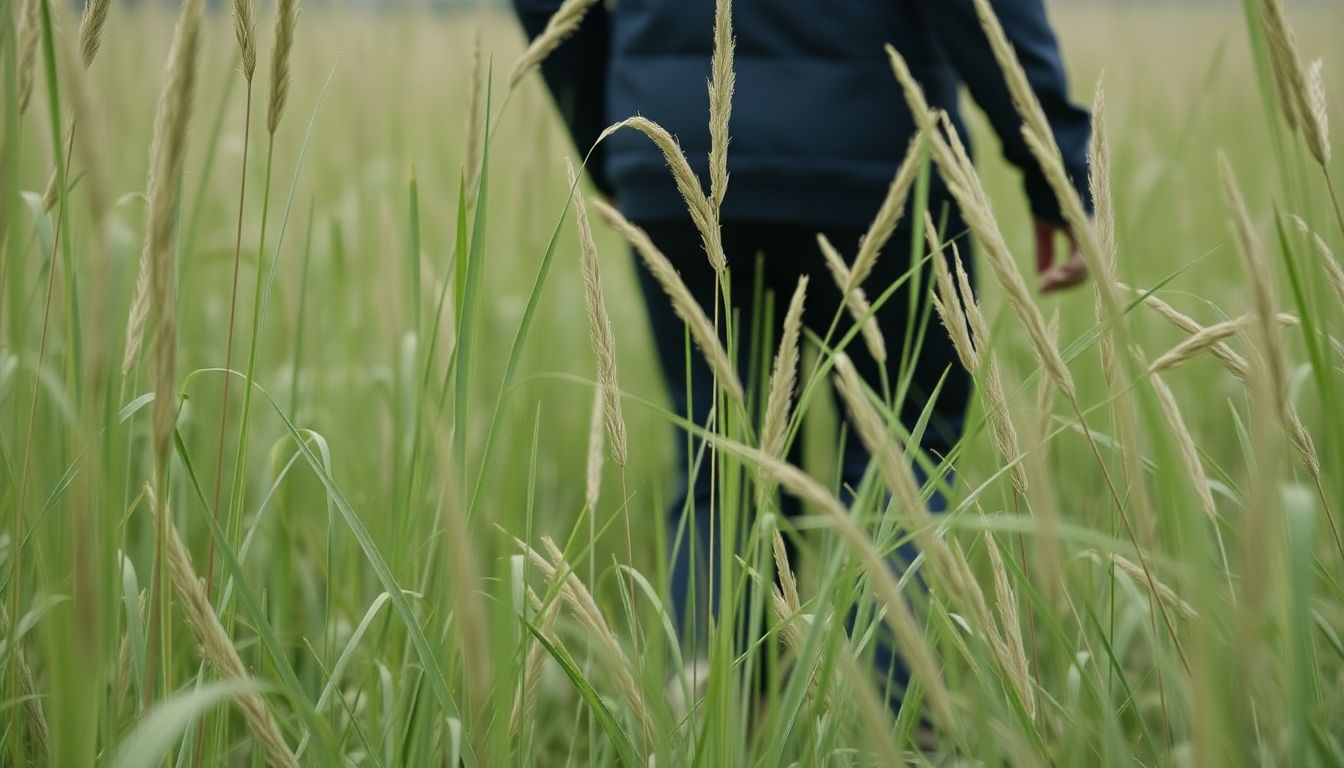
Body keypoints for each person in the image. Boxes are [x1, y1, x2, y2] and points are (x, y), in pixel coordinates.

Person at [512, 0, 1092, 715]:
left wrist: (610, 125)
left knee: (718, 463)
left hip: (669, 143)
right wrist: (1056, 164)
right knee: (897, 458)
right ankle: (890, 738)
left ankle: (713, 731)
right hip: (877, 151)